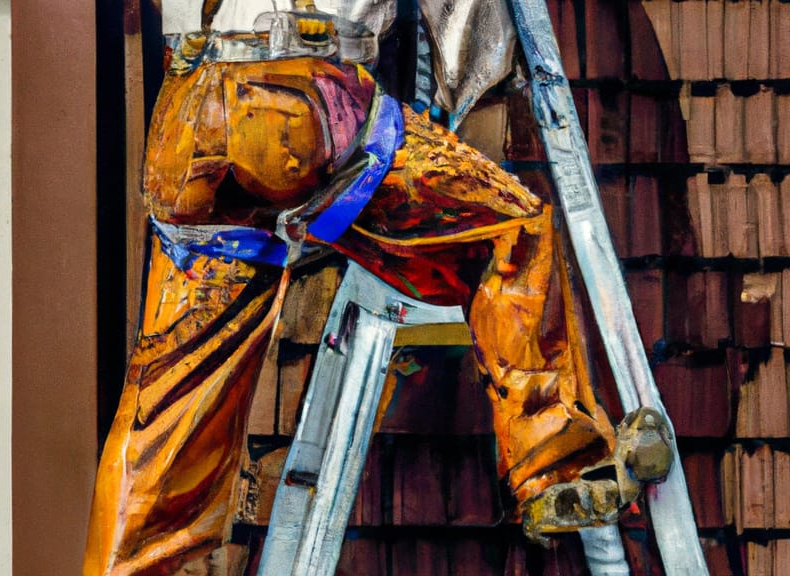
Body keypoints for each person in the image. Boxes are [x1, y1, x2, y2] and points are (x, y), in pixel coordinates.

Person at [84, 5, 651, 574]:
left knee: (171, 405)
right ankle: (559, 465)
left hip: (187, 123)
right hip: (297, 102)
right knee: (509, 231)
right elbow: (461, 32)